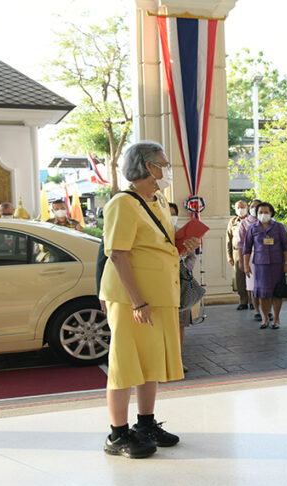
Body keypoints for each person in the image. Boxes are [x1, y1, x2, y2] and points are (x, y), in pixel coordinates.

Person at [98, 141, 199, 459]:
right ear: (145, 166)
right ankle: (117, 435)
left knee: (151, 361)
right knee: (125, 363)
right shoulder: (123, 203)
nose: (166, 169)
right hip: (132, 299)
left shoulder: (156, 200)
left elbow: (157, 247)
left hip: (160, 295)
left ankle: (145, 423)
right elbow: (118, 253)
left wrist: (185, 246)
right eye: (162, 163)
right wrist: (138, 301)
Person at [243, 202, 287, 329]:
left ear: (271, 213)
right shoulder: (252, 228)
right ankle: (265, 318)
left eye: (266, 212)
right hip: (260, 265)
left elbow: (286, 247)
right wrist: (246, 265)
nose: (263, 215)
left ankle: (276, 319)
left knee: (277, 293)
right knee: (263, 294)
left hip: (277, 264)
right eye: (260, 212)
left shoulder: (279, 227)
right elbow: (246, 249)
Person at [169, 202, 198, 373]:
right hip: (161, 284)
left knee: (180, 323)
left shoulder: (182, 233)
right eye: (168, 213)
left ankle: (177, 359)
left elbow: (192, 257)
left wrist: (184, 269)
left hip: (179, 282)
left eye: (174, 213)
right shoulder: (154, 233)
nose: (171, 216)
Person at [238, 199, 264, 319]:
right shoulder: (245, 223)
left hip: (267, 258)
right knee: (253, 286)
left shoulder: (269, 222)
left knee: (266, 285)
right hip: (251, 257)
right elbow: (240, 244)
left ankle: (267, 310)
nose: (254, 208)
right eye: (252, 206)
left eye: (257, 206)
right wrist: (242, 262)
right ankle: (257, 310)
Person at [227, 200, 252, 310]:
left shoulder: (252, 220)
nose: (240, 209)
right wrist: (229, 256)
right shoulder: (233, 222)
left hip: (250, 252)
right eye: (238, 207)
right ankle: (243, 301)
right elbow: (228, 240)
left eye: (243, 207)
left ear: (247, 208)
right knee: (240, 278)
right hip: (237, 252)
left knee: (250, 276)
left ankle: (253, 301)